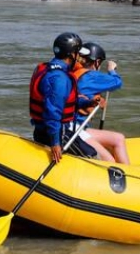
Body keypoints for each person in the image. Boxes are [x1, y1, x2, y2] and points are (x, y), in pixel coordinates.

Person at [29, 31, 97, 163]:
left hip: (41, 131)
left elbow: (62, 101)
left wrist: (87, 102)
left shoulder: (46, 69)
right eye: (78, 54)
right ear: (72, 54)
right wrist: (55, 143)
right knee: (93, 156)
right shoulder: (59, 78)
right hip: (57, 135)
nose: (79, 58)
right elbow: (53, 112)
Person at [70, 41, 130, 164]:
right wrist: (112, 70)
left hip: (79, 127)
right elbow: (116, 82)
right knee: (110, 161)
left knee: (119, 138)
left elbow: (82, 94)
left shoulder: (73, 73)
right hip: (74, 129)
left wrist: (95, 99)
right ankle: (126, 176)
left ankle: (130, 174)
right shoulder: (91, 76)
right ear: (96, 62)